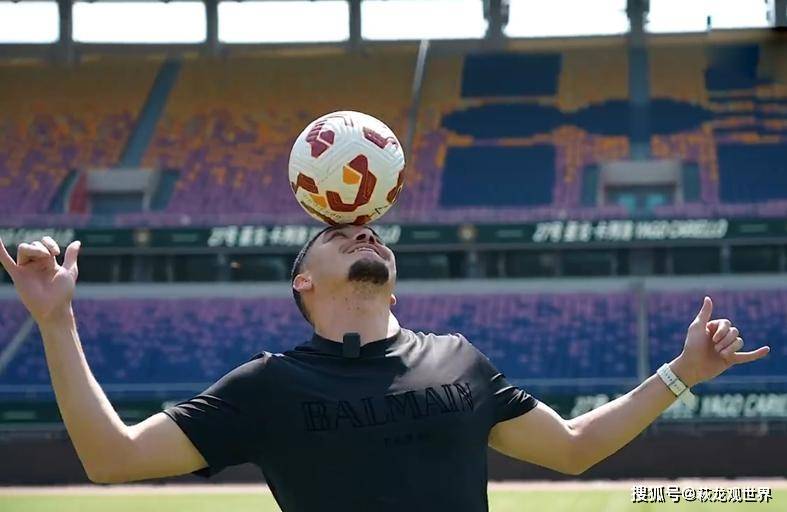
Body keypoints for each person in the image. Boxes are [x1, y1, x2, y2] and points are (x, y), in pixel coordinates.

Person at [0, 227, 769, 511]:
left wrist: (679, 373)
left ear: (393, 284)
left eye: (371, 230)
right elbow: (111, 458)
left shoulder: (459, 358)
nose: (362, 231)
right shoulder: (267, 385)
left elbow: (572, 447)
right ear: (302, 280)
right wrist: (56, 321)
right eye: (338, 234)